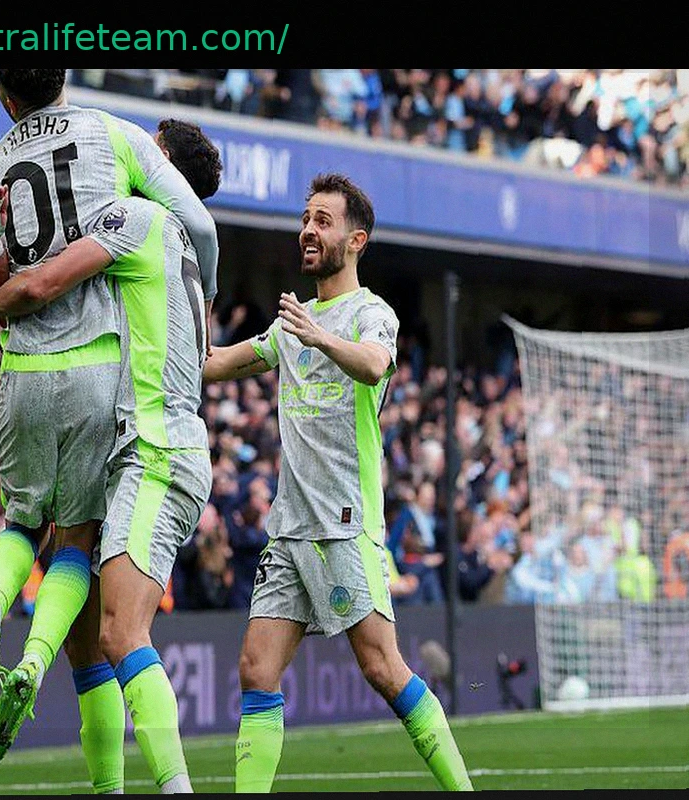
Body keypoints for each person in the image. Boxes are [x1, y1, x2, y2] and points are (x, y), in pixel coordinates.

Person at [0, 67, 217, 792]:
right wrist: (212, 298)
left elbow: (23, 276)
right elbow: (198, 226)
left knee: (24, 526)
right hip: (104, 381)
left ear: (4, 94)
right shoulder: (115, 143)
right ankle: (31, 662)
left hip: (26, 370)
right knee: (78, 566)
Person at [202, 173, 472, 792]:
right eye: (306, 219)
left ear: (356, 240)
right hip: (289, 530)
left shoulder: (370, 314)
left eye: (322, 221)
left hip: (343, 524)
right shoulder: (289, 327)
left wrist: (319, 335)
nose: (307, 230)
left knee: (383, 669)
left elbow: (375, 366)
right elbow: (213, 365)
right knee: (256, 670)